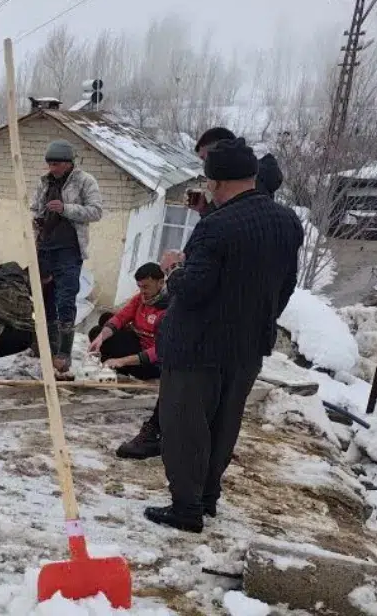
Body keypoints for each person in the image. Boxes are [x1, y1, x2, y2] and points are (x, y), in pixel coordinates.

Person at [147, 137, 303, 534]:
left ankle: (186, 508)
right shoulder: (287, 221)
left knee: (185, 425)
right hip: (248, 344)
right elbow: (284, 285)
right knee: (224, 423)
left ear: (215, 182)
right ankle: (208, 497)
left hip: (198, 345)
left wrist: (172, 270)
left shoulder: (216, 227)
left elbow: (196, 287)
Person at [30, 139, 103, 376]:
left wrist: (65, 208)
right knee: (45, 299)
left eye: (57, 164)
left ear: (69, 163)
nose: (53, 168)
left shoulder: (85, 181)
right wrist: (37, 219)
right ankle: (47, 348)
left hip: (69, 250)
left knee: (65, 301)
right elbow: (34, 207)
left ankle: (63, 353)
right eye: (50, 164)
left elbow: (96, 211)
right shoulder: (44, 182)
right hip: (45, 247)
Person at [90, 263, 169, 460]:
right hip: (140, 346)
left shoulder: (169, 308)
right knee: (100, 329)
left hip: (154, 362)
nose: (142, 291)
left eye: (146, 287)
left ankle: (119, 368)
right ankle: (113, 370)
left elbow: (161, 351)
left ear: (161, 282)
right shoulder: (140, 299)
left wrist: (122, 361)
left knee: (120, 350)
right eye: (139, 286)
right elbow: (120, 318)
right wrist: (100, 338)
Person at [188, 127, 283, 215]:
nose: (204, 166)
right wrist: (204, 209)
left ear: (221, 153)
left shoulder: (250, 187)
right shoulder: (252, 180)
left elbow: (231, 226)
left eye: (205, 159)